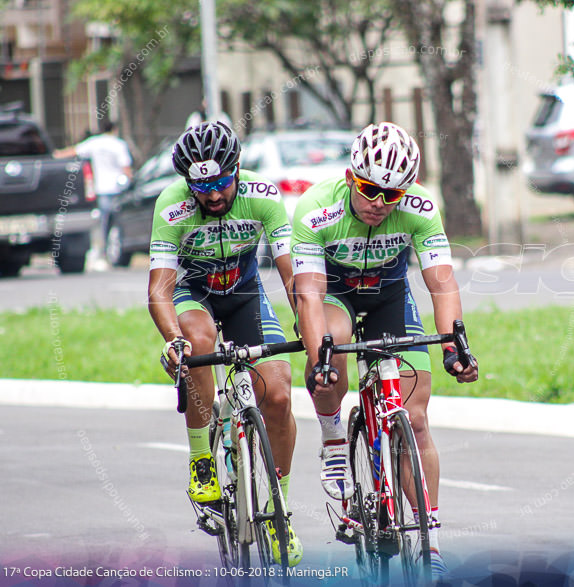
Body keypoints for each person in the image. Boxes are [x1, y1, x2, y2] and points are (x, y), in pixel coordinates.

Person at [290, 121, 479, 578]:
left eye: (391, 195)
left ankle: (429, 537)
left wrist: (456, 342)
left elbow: (441, 281)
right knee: (330, 357)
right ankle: (335, 438)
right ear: (352, 176)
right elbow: (310, 296)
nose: (378, 203)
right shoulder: (316, 209)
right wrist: (319, 361)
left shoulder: (420, 207)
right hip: (333, 294)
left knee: (414, 419)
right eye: (370, 189)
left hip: (389, 297)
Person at [146, 121, 302, 565]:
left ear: (238, 168)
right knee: (198, 341)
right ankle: (201, 459)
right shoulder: (171, 206)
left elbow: (292, 274)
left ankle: (281, 512)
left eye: (221, 183)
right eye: (202, 187)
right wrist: (173, 340)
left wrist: (307, 324)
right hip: (191, 294)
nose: (213, 196)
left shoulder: (264, 196)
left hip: (244, 295)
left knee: (279, 390)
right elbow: (159, 290)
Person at [55, 121, 133, 250]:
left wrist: (57, 154)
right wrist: (130, 180)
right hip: (118, 188)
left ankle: (103, 246)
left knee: (103, 220)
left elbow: (75, 150)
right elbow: (126, 167)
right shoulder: (119, 144)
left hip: (101, 188)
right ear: (114, 130)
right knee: (118, 219)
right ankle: (116, 246)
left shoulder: (95, 142)